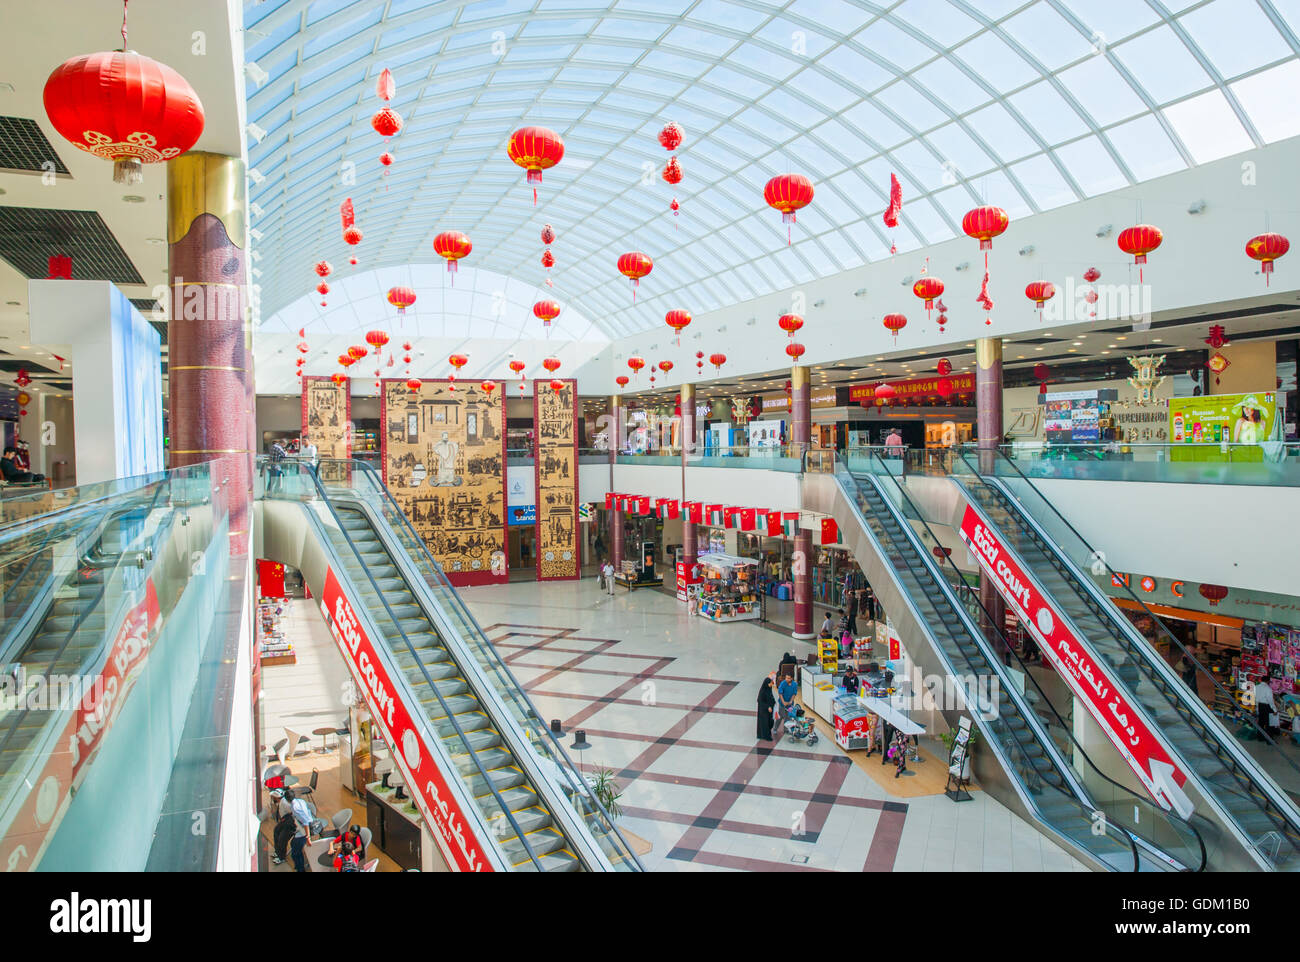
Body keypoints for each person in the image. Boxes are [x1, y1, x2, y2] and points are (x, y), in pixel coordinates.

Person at [286, 788, 315, 873]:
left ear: (288, 799)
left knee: (295, 852)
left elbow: (305, 822)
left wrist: (308, 837)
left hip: (303, 831)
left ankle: (300, 869)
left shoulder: (295, 808)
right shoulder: (300, 801)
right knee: (293, 845)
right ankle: (299, 866)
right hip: (302, 827)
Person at [270, 789, 295, 865]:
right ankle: (277, 852)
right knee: (276, 831)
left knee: (282, 839)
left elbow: (293, 812)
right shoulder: (281, 802)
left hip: (290, 824)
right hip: (284, 821)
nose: (272, 798)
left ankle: (281, 857)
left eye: (273, 796)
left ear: (277, 797)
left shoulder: (285, 803)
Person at [776, 673, 798, 739]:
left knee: (788, 717)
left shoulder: (794, 684)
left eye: (788, 678)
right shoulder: (783, 683)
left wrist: (791, 701)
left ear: (792, 678)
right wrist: (783, 702)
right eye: (786, 678)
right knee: (781, 716)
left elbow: (794, 693)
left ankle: (785, 729)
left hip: (790, 704)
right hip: (782, 703)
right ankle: (775, 728)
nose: (787, 679)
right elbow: (780, 693)